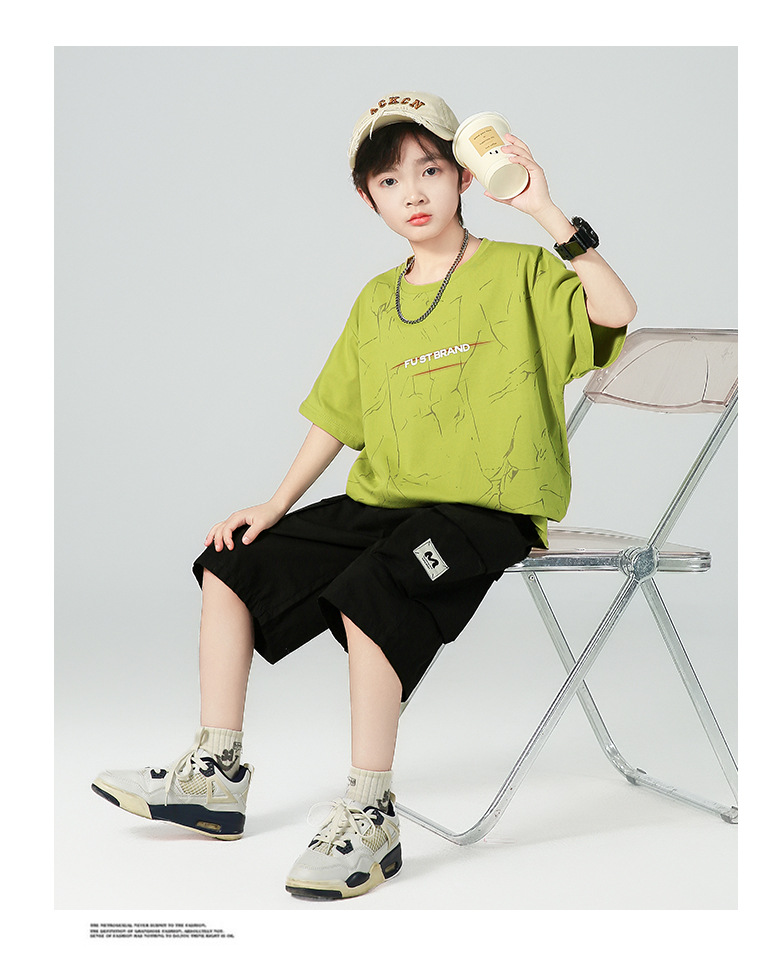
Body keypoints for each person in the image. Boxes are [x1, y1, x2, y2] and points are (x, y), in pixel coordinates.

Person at [92, 90, 637, 901]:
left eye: (430, 170)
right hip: (386, 501)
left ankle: (371, 813)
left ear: (464, 176)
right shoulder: (377, 301)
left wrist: (544, 209)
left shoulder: (522, 270)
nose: (413, 192)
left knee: (372, 588)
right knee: (230, 562)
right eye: (389, 181)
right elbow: (337, 416)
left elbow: (617, 311)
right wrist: (274, 504)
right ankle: (214, 775)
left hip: (486, 512)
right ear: (367, 198)